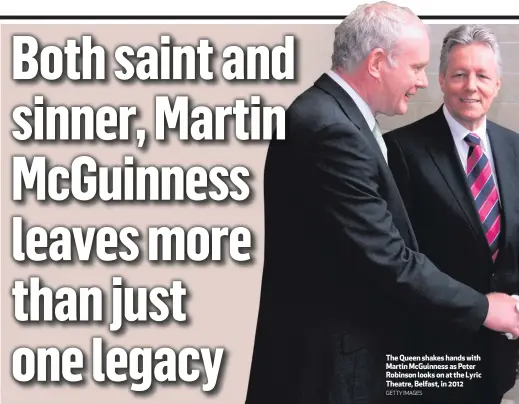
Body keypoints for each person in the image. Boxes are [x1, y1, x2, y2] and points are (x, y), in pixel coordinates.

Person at [245, 4, 519, 404]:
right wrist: (484, 308)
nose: (421, 82)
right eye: (415, 68)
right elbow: (388, 257)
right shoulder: (333, 131)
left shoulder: (332, 117)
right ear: (377, 63)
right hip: (329, 370)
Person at [385, 24, 519, 404]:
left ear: (497, 84)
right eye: (459, 75)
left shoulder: (515, 148)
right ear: (442, 79)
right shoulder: (402, 151)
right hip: (431, 353)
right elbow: (399, 258)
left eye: (482, 75)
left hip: (497, 353)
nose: (470, 86)